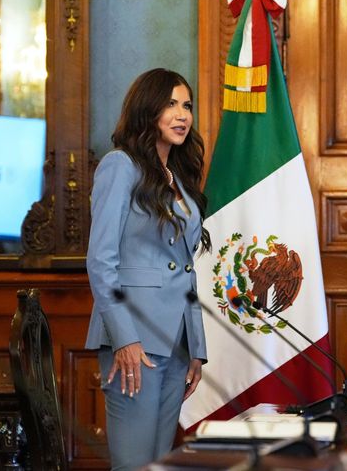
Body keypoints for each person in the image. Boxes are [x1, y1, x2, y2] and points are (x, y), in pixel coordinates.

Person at [85, 68, 211, 470]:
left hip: (176, 343)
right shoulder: (119, 166)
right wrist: (124, 338)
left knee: (160, 463)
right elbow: (101, 261)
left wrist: (196, 347)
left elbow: (186, 269)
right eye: (171, 104)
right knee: (134, 463)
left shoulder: (180, 177)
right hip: (134, 339)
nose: (182, 114)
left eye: (187, 105)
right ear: (147, 109)